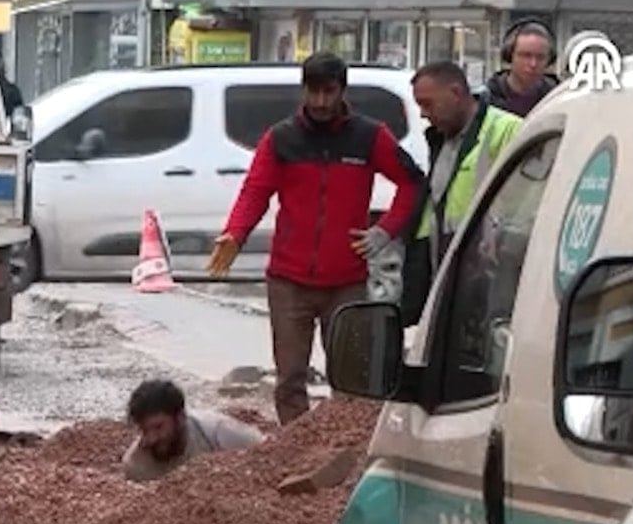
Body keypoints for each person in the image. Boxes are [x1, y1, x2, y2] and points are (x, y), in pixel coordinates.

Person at [205, 52, 424, 425]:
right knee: (290, 377)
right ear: (303, 90)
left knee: (352, 380)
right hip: (289, 281)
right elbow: (256, 191)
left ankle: (345, 447)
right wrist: (235, 234)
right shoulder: (281, 138)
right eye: (313, 92)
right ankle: (293, 447)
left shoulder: (370, 137)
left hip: (347, 282)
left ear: (342, 91)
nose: (320, 102)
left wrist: (384, 231)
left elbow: (412, 183)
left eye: (329, 92)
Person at [399, 61, 524, 324]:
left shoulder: (507, 129)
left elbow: (524, 205)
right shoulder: (442, 138)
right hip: (448, 270)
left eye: (427, 104)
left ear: (456, 93)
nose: (422, 114)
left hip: (487, 273)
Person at [121, 380, 264, 482]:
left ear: (180, 417)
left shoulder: (218, 434)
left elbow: (270, 453)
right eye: (144, 430)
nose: (151, 438)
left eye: (158, 427)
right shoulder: (136, 465)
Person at [484, 20, 558, 117]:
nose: (533, 64)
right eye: (526, 56)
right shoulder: (486, 100)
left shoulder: (558, 98)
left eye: (540, 57)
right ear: (509, 55)